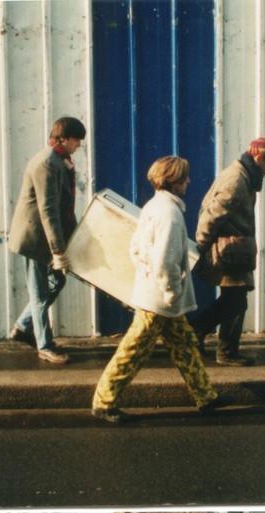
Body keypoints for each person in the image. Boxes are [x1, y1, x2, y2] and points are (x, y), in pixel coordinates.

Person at [91, 156, 222, 424]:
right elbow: (165, 261)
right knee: (133, 351)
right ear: (173, 181)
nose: (189, 181)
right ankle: (103, 403)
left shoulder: (154, 206)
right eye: (185, 177)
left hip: (155, 294)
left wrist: (149, 274)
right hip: (160, 300)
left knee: (185, 344)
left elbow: (136, 248)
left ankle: (207, 397)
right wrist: (171, 292)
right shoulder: (170, 214)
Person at [189, 137, 265, 367]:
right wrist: (201, 245)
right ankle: (219, 347)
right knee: (236, 301)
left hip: (234, 249)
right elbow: (211, 215)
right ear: (259, 158)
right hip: (229, 251)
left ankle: (203, 336)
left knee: (234, 300)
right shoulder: (237, 180)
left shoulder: (244, 175)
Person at [8, 116, 86, 364]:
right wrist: (58, 250)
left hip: (43, 237)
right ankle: (45, 345)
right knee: (40, 292)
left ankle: (22, 326)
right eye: (76, 140)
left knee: (57, 282)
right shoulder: (46, 163)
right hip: (34, 239)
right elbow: (48, 210)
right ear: (63, 138)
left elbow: (63, 208)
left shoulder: (60, 161)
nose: (79, 146)